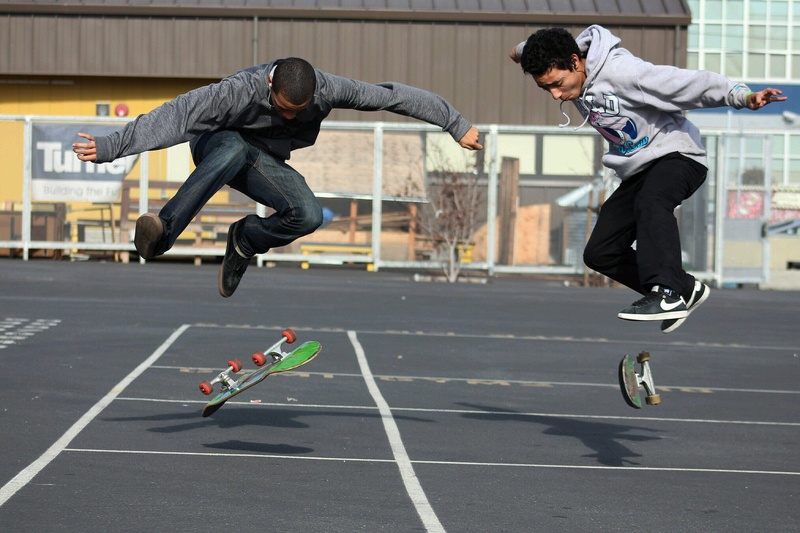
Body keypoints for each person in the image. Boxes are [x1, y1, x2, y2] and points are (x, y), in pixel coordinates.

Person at [73, 57, 483, 297]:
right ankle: (164, 232)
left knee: (305, 215)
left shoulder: (328, 89)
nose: (288, 116)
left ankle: (244, 241)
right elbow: (174, 116)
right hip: (215, 146)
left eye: (296, 111)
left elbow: (392, 96)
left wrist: (454, 122)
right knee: (232, 146)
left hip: (263, 160)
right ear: (270, 85)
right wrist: (111, 147)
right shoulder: (236, 91)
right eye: (281, 107)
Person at [510, 26, 785, 333]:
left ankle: (666, 293)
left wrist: (741, 95)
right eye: (546, 88)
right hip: (638, 170)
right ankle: (686, 288)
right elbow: (527, 49)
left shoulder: (625, 73)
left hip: (678, 156)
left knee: (652, 201)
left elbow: (689, 84)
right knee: (600, 252)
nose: (556, 95)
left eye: (558, 84)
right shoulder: (558, 59)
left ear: (576, 61)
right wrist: (520, 52)